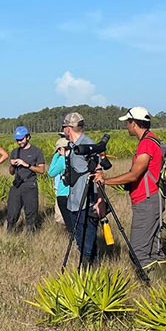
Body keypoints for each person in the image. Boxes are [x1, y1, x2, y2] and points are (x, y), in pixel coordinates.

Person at [95, 107, 166, 270]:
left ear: (134, 123)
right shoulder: (153, 140)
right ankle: (164, 284)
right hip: (153, 198)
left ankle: (151, 285)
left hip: (146, 200)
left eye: (128, 122)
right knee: (154, 250)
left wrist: (105, 181)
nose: (126, 126)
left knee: (138, 251)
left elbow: (134, 175)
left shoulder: (146, 144)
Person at [61, 112, 99, 263]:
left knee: (87, 239)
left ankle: (89, 268)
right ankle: (86, 264)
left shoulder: (88, 145)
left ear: (68, 129)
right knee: (79, 238)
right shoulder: (72, 146)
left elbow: (98, 175)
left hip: (87, 201)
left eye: (64, 127)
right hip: (74, 201)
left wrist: (99, 200)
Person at [6, 126, 46, 232]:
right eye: (17, 140)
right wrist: (12, 165)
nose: (19, 142)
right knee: (12, 212)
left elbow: (42, 170)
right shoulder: (15, 152)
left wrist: (27, 165)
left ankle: (30, 236)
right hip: (17, 185)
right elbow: (11, 172)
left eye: (21, 139)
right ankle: (9, 233)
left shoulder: (36, 151)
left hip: (30, 185)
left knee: (30, 213)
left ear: (28, 137)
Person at [47, 136, 70, 226]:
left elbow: (51, 173)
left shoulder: (62, 160)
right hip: (76, 192)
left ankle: (71, 233)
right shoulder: (76, 157)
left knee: (62, 217)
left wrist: (56, 156)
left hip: (63, 193)